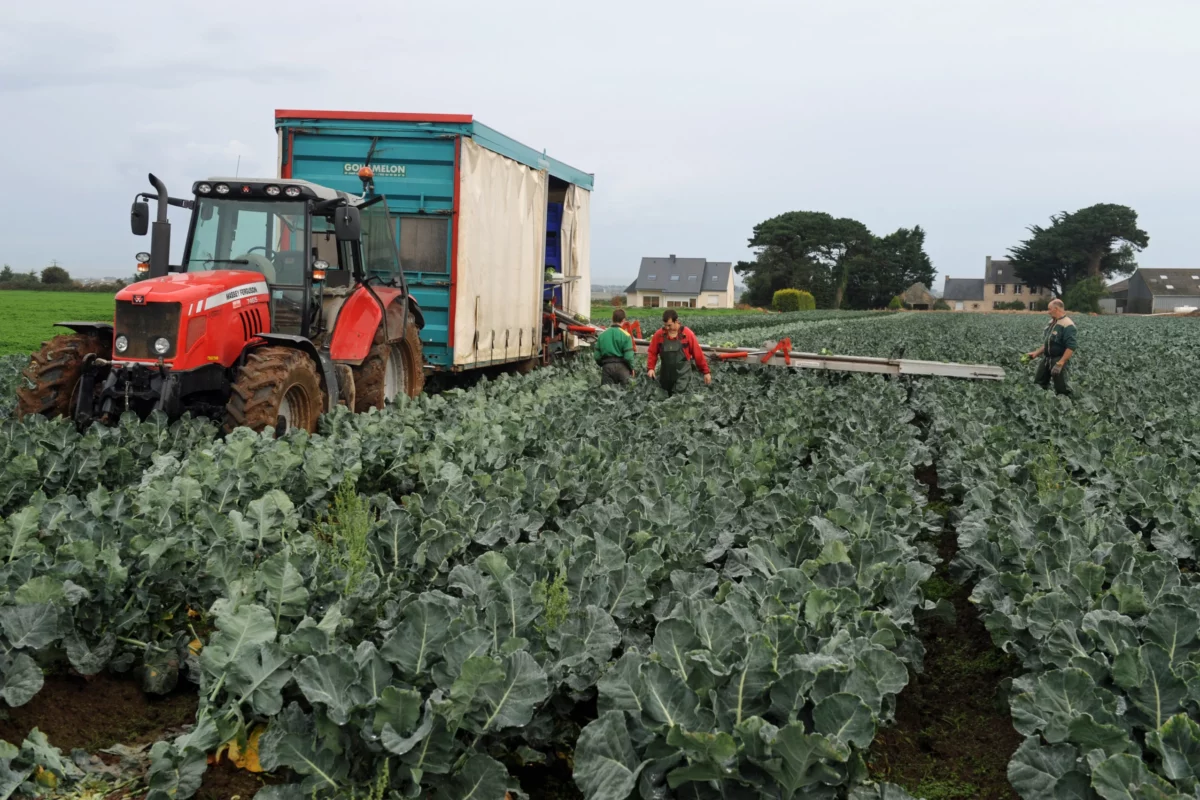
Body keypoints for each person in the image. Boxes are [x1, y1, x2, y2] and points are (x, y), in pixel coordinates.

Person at [646, 309, 712, 395]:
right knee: (665, 396)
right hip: (666, 375)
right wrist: (651, 368)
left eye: (669, 325)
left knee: (678, 398)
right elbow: (652, 352)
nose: (667, 328)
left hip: (683, 375)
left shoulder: (687, 334)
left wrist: (706, 372)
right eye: (665, 325)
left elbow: (698, 354)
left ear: (676, 321)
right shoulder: (659, 334)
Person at [1026, 298, 1077, 396]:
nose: (1048, 312)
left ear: (1056, 309)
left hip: (1058, 359)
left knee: (1061, 387)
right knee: (1038, 384)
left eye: (1049, 309)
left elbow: (1071, 347)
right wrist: (1036, 353)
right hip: (1047, 358)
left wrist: (1060, 363)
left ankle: (1065, 405)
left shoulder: (1068, 325)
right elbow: (1048, 342)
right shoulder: (1052, 322)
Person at [593, 308, 636, 385]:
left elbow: (596, 356)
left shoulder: (602, 335)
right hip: (623, 369)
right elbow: (628, 357)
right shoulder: (626, 335)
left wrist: (603, 364)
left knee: (606, 394)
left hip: (607, 368)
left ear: (612, 319)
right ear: (623, 320)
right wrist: (632, 368)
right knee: (624, 395)